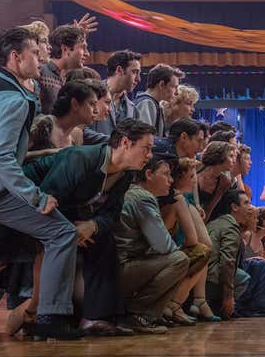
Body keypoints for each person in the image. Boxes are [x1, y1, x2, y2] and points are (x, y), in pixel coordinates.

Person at [0, 27, 80, 340]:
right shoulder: (15, 99)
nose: (41, 60)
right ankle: (50, 317)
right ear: (16, 57)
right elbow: (1, 158)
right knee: (63, 233)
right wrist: (36, 197)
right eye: (35, 53)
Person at [23, 119, 158, 336]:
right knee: (70, 237)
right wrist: (72, 228)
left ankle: (95, 317)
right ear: (125, 143)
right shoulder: (81, 158)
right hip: (27, 208)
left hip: (69, 217)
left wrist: (91, 226)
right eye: (147, 148)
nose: (150, 155)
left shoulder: (126, 173)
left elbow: (113, 214)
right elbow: (47, 198)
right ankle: (48, 316)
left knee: (104, 239)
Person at [114, 154, 191, 334]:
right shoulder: (143, 198)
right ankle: (138, 314)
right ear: (149, 174)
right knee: (180, 260)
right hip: (121, 269)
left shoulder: (133, 193)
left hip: (116, 267)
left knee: (179, 258)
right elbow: (164, 246)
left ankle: (149, 314)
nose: (171, 180)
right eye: (166, 174)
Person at [161, 157, 220, 322]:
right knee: (202, 251)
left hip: (167, 246)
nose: (195, 181)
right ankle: (177, 303)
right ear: (178, 178)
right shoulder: (177, 198)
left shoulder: (180, 196)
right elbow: (192, 240)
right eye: (192, 177)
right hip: (165, 251)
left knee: (204, 248)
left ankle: (196, 300)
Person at [206, 190, 254, 320]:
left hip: (203, 277)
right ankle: (220, 310)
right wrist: (229, 296)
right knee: (243, 278)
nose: (250, 207)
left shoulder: (217, 222)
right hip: (211, 279)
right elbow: (227, 263)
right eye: (246, 203)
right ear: (234, 207)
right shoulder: (230, 227)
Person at [235, 207, 265, 317]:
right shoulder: (248, 235)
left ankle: (262, 305)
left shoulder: (261, 244)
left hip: (252, 281)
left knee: (263, 265)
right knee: (262, 264)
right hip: (242, 278)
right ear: (263, 220)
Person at [91, 50, 142, 136]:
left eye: (139, 73)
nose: (138, 79)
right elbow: (81, 130)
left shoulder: (133, 110)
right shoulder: (92, 95)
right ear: (119, 70)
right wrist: (110, 141)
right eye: (134, 72)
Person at [39, 25, 88, 114]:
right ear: (65, 49)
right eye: (83, 47)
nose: (87, 54)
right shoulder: (40, 72)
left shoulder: (65, 79)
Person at [135, 64, 181, 137]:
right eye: (173, 87)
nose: (176, 92)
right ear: (161, 85)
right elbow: (144, 138)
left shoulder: (154, 104)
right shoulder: (147, 103)